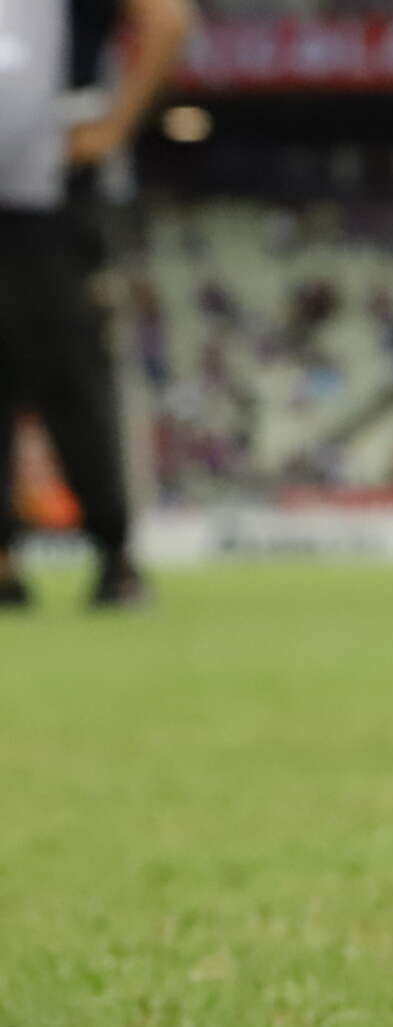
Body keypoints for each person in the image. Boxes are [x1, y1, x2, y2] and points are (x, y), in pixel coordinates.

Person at [0, 0, 192, 611]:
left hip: (54, 192)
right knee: (54, 376)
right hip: (42, 193)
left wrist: (112, 127)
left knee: (71, 375)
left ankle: (113, 554)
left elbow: (168, 19)